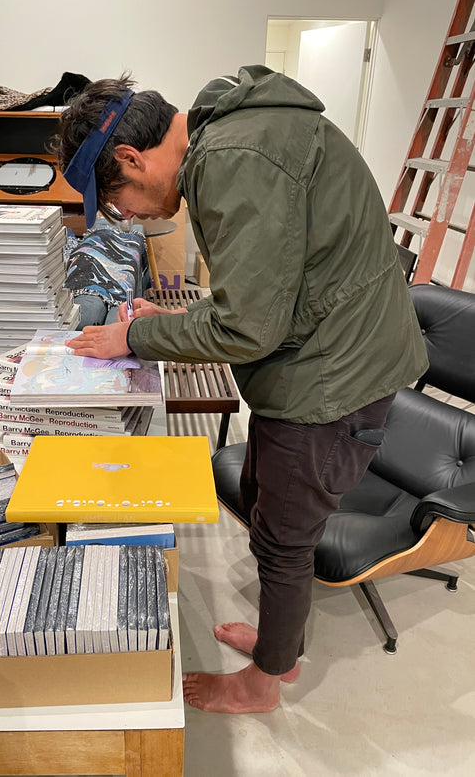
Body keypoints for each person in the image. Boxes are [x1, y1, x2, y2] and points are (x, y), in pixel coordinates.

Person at [51, 65, 429, 714]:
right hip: (320, 348)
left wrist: (134, 341)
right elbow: (269, 292)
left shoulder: (233, 161)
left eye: (118, 203)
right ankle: (280, 636)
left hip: (332, 378)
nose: (127, 218)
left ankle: (264, 681)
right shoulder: (233, 136)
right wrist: (173, 319)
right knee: (262, 499)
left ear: (130, 158)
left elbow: (249, 326)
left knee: (284, 532)